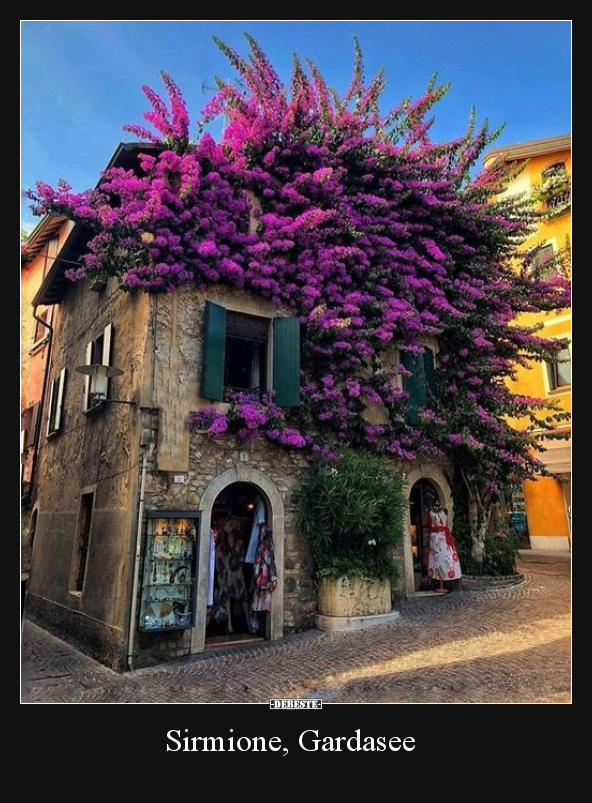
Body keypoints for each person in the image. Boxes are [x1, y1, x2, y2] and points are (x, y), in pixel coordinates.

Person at [426, 501, 462, 593]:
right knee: (436, 558)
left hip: (443, 536)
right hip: (435, 537)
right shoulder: (431, 511)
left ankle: (447, 576)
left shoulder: (444, 511)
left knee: (446, 557)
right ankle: (438, 578)